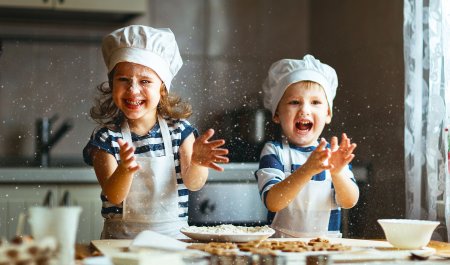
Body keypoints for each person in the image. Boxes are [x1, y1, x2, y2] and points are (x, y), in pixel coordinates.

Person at [83, 25, 229, 239]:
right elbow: (114, 196)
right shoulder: (106, 139)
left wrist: (197, 162)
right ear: (111, 84)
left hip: (173, 241)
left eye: (145, 81)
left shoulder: (180, 131)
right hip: (121, 243)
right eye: (123, 79)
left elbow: (194, 184)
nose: (133, 90)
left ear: (162, 89)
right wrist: (124, 169)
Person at [256, 54, 359, 238]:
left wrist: (336, 173)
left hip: (325, 251)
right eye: (294, 102)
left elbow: (349, 201)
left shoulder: (333, 155)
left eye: (315, 102)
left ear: (328, 114)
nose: (304, 110)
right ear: (277, 113)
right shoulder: (274, 151)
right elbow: (273, 201)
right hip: (280, 251)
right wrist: (307, 170)